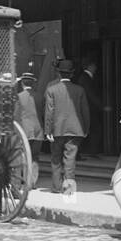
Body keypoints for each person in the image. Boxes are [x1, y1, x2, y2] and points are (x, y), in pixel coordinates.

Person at [44, 58, 88, 195]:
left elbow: (49, 112)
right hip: (75, 129)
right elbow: (85, 111)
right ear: (72, 74)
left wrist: (48, 130)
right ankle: (68, 188)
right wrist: (85, 129)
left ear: (59, 73)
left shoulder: (51, 89)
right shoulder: (79, 90)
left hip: (57, 129)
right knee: (70, 159)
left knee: (56, 159)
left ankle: (57, 188)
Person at [14, 73, 42, 189]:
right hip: (38, 130)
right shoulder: (40, 96)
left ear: (22, 83)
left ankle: (25, 182)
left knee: (24, 156)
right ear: (33, 83)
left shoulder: (19, 96)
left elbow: (15, 115)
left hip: (24, 130)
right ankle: (32, 182)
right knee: (35, 157)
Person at [76, 58, 103, 156]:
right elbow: (90, 94)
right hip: (89, 109)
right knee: (94, 129)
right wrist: (101, 106)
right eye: (94, 66)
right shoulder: (84, 78)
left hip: (90, 109)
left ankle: (90, 150)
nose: (96, 68)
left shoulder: (88, 77)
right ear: (90, 66)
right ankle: (90, 151)